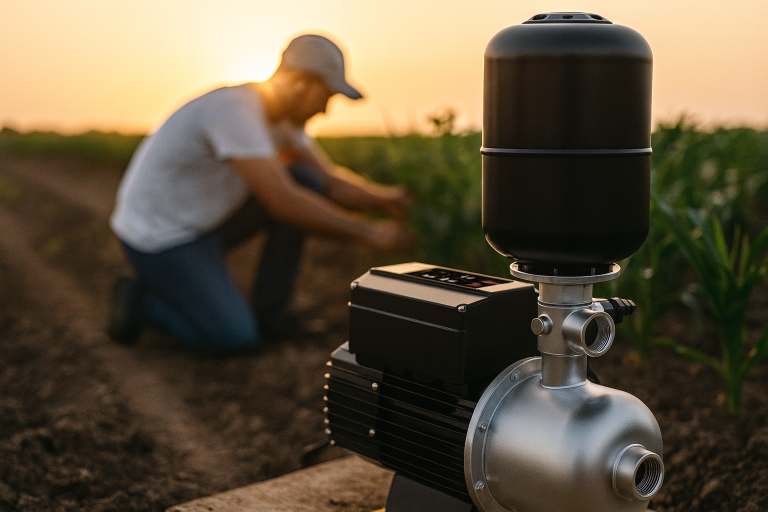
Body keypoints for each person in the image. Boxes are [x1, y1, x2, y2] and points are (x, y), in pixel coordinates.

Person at [107, 34, 413, 352]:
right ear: (298, 82)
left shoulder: (285, 122)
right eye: (325, 95)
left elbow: (328, 181)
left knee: (304, 180)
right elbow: (282, 203)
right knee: (234, 336)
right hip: (160, 238)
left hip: (203, 222)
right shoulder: (233, 110)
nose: (324, 110)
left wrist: (387, 199)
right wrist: (373, 235)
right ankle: (142, 302)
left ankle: (271, 316)